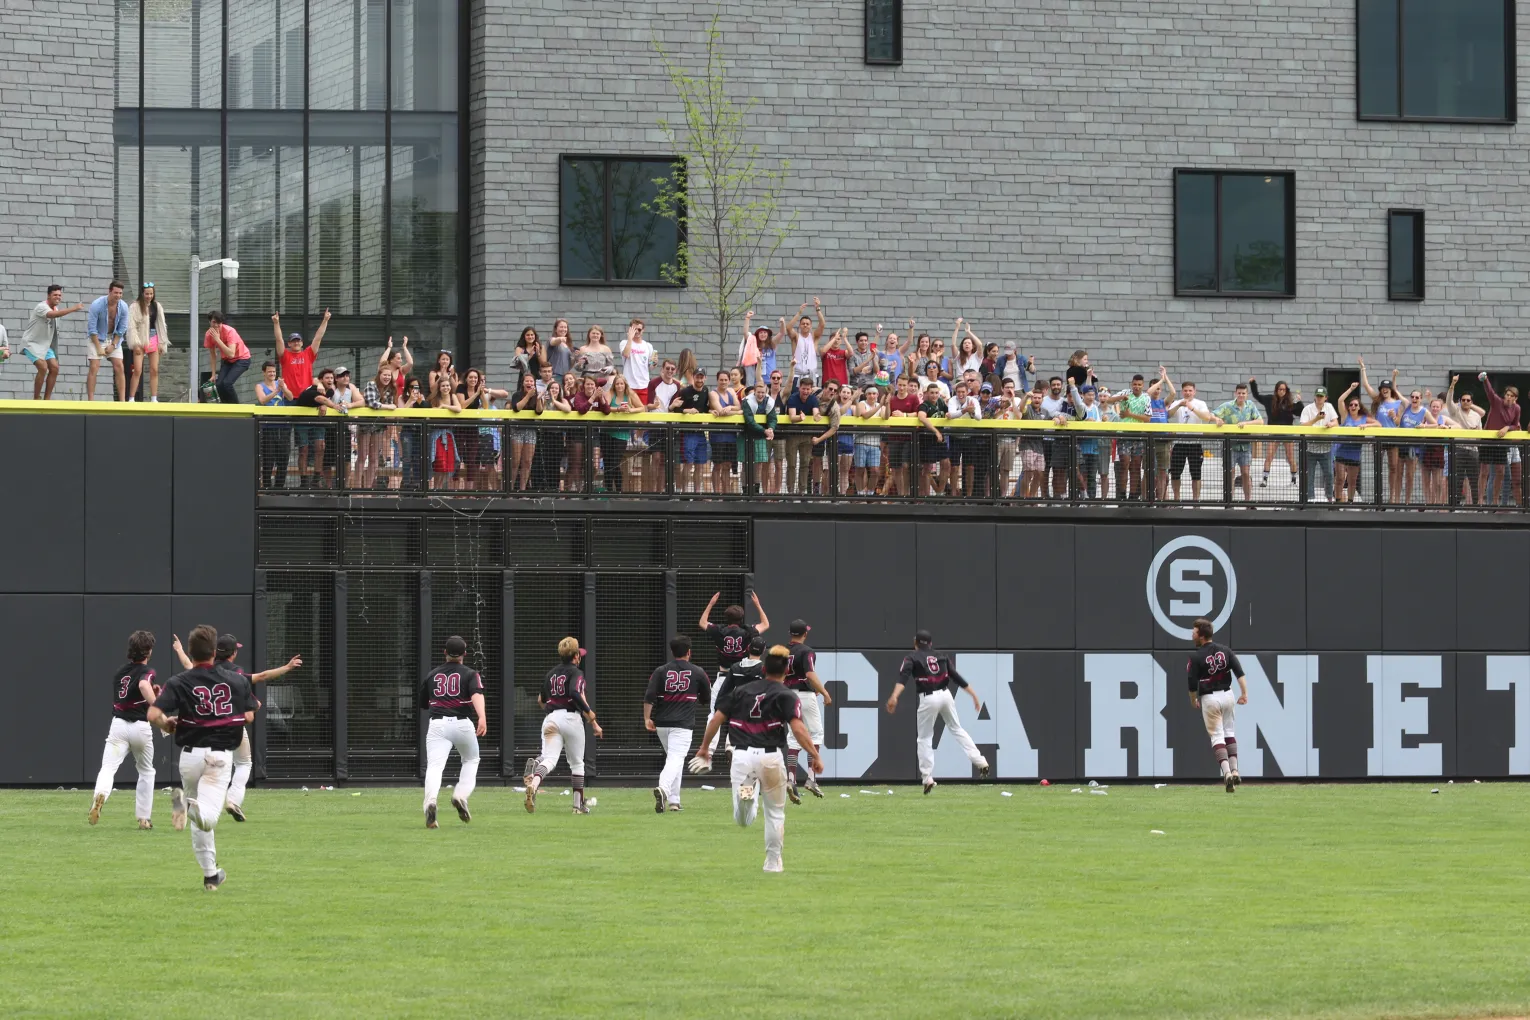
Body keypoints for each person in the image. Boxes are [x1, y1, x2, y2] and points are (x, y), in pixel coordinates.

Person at [692, 644, 823, 873]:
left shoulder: (740, 692)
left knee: (743, 820)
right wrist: (814, 755)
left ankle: (747, 797)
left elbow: (715, 720)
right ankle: (773, 863)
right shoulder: (786, 695)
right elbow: (799, 729)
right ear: (785, 673)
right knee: (775, 813)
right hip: (770, 757)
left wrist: (704, 748)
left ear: (763, 670)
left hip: (741, 755)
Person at [147, 625, 256, 891]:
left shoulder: (179, 680)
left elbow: (152, 714)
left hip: (190, 757)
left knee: (200, 822)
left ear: (191, 652)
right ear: (213, 651)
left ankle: (210, 875)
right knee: (207, 817)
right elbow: (250, 716)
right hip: (219, 757)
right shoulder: (237, 679)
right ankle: (184, 804)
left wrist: (167, 724)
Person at [885, 630, 991, 794]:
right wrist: (974, 695)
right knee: (956, 728)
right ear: (930, 644)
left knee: (924, 738)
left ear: (916, 643)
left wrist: (894, 696)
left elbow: (903, 678)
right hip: (946, 695)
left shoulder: (911, 657)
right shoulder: (941, 655)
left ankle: (927, 778)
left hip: (928, 697)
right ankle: (980, 761)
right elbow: (956, 676)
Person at [88, 630, 160, 829]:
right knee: (146, 771)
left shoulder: (120, 672)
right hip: (140, 727)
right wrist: (157, 704)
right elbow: (144, 685)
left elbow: (132, 693)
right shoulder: (149, 671)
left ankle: (99, 797)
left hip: (118, 726)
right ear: (148, 651)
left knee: (108, 768)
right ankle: (144, 819)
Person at [524, 637, 603, 814]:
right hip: (571, 718)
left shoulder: (550, 674)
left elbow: (540, 700)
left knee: (549, 758)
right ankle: (577, 806)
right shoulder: (577, 673)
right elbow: (576, 693)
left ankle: (534, 783)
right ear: (576, 656)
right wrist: (591, 715)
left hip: (551, 717)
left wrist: (554, 710)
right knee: (577, 764)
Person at [417, 636, 487, 828]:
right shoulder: (471, 674)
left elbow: (423, 703)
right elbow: (476, 694)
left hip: (437, 725)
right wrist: (482, 716)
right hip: (462, 723)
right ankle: (460, 795)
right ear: (465, 653)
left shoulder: (432, 675)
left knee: (435, 767)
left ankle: (431, 802)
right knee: (471, 760)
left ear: (445, 652)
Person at [643, 636, 712, 814]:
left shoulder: (660, 671)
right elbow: (706, 697)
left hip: (662, 724)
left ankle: (674, 801)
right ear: (689, 652)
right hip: (682, 725)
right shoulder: (698, 672)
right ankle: (663, 789)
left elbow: (649, 696)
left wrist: (646, 718)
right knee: (675, 758)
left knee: (674, 759)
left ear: (672, 652)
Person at [1187, 617, 1248, 793]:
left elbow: (1191, 683)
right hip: (1228, 695)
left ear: (1202, 635)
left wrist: (1193, 700)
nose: (1192, 634)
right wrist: (1244, 693)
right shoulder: (1225, 650)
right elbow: (1239, 673)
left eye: (1195, 631)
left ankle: (1227, 773)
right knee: (1229, 733)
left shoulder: (1196, 656)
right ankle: (1235, 769)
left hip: (1210, 698)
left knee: (1217, 737)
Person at [783, 619, 832, 802]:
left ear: (790, 633)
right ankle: (811, 778)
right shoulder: (806, 651)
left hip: (787, 695)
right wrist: (824, 692)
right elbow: (810, 674)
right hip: (804, 694)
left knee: (793, 738)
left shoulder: (782, 651)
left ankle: (791, 779)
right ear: (805, 633)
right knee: (816, 734)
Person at [23, 285, 83, 400]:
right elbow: (52, 315)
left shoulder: (56, 309)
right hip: (32, 343)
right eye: (55, 295)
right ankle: (36, 399)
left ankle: (47, 399)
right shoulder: (41, 307)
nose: (58, 297)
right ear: (49, 296)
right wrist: (74, 308)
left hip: (45, 345)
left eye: (60, 295)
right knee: (43, 367)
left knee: (54, 368)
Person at [1166, 377, 1217, 501]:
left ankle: (1195, 500)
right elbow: (1169, 414)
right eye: (1185, 391)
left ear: (1194, 391)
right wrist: (1179, 406)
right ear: (1182, 391)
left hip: (1195, 442)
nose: (1187, 393)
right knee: (1175, 473)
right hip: (1179, 443)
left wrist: (1192, 408)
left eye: (1190, 390)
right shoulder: (1177, 402)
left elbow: (1206, 417)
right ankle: (1176, 499)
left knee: (1196, 474)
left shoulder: (1200, 403)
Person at [1214, 382, 1265, 501]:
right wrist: (1218, 419)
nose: (1241, 395)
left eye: (1243, 393)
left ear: (1247, 394)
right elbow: (1213, 414)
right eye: (1239, 393)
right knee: (1230, 473)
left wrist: (1246, 423)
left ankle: (1248, 501)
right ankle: (1229, 501)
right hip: (1230, 446)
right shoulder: (1227, 406)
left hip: (1245, 446)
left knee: (1246, 473)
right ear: (1235, 393)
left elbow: (1260, 421)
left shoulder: (1250, 405)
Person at [671, 367, 720, 493]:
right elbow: (674, 409)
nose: (699, 379)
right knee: (688, 463)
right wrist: (687, 410)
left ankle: (697, 492)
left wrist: (710, 411)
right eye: (697, 376)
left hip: (700, 432)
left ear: (705, 378)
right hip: (687, 432)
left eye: (701, 377)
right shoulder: (685, 392)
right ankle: (685, 492)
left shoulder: (705, 390)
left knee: (700, 464)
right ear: (693, 377)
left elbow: (703, 408)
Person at [1249, 378, 1301, 488]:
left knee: (1291, 457)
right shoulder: (1270, 400)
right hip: (1274, 431)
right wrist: (1253, 383)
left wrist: (1299, 402)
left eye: (1284, 389)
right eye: (1280, 389)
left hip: (1287, 432)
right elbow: (1257, 396)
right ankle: (1265, 479)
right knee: (1269, 455)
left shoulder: (1290, 402)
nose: (1282, 391)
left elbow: (1299, 412)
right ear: (1276, 390)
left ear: (1286, 391)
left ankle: (1293, 480)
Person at [1480, 372, 1522, 507]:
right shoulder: (1497, 401)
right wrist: (1485, 379)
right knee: (1484, 472)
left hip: (1501, 442)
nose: (1508, 398)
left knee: (1501, 471)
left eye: (1512, 396)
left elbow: (1516, 425)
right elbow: (1490, 391)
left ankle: (1494, 502)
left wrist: (1507, 428)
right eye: (1507, 395)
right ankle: (1480, 502)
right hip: (1487, 440)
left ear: (1515, 398)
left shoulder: (1517, 408)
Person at [125, 283, 170, 402]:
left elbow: (161, 325)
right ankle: (131, 398)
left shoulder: (157, 306)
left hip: (153, 338)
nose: (149, 296)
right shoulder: (135, 306)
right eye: (147, 294)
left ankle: (154, 398)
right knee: (137, 370)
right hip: (140, 339)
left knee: (154, 369)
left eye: (151, 293)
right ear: (142, 294)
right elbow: (131, 326)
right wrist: (135, 343)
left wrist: (161, 342)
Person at [85, 281, 129, 401]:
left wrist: (113, 345)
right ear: (109, 291)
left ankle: (122, 401)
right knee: (94, 366)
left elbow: (122, 328)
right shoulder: (97, 304)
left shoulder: (124, 307)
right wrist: (99, 347)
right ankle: (91, 401)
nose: (118, 296)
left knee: (119, 365)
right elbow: (92, 328)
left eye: (120, 293)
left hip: (113, 338)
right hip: (96, 338)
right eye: (116, 293)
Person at [1443, 376, 1483, 505]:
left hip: (1473, 450)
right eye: (1463, 400)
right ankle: (1454, 505)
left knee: (1474, 479)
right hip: (1458, 449)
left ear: (1471, 402)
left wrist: (1475, 432)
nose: (1466, 402)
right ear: (1460, 401)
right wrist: (1453, 384)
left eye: (1468, 400)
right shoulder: (1455, 411)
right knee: (1457, 479)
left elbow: (1480, 435)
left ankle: (1476, 506)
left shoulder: (1476, 416)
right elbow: (1449, 400)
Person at [1333, 385, 1377, 503]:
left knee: (1352, 480)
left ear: (1359, 407)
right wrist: (1350, 389)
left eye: (1356, 405)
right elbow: (1340, 400)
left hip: (1355, 453)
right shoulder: (1345, 416)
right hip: (1341, 451)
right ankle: (1337, 501)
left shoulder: (1363, 418)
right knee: (1340, 478)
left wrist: (1366, 425)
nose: (1353, 406)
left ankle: (1350, 502)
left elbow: (1378, 424)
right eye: (1351, 405)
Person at [1298, 386, 1340, 500]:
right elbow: (1302, 426)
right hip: (1310, 447)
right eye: (1317, 396)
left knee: (1329, 474)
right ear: (1314, 397)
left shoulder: (1329, 407)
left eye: (1321, 396)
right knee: (1308, 475)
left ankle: (1329, 498)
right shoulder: (1307, 409)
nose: (1319, 398)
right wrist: (1316, 419)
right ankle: (1309, 499)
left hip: (1326, 447)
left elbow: (1336, 421)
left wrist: (1331, 424)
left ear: (1326, 397)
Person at [201, 312, 251, 403]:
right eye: (213, 322)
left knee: (227, 383)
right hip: (227, 360)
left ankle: (236, 407)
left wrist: (217, 339)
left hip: (242, 359)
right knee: (219, 384)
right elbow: (213, 355)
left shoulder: (229, 331)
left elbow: (231, 353)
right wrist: (213, 374)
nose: (216, 325)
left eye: (219, 323)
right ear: (209, 322)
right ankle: (225, 405)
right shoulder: (208, 335)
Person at [786, 298, 826, 387]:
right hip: (797, 375)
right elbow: (788, 328)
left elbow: (822, 324)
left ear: (811, 326)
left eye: (807, 324)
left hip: (811, 375)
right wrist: (799, 313)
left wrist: (818, 308)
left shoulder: (814, 337)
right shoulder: (796, 337)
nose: (805, 325)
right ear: (800, 325)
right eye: (803, 323)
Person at [622, 319, 656, 404]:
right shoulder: (624, 343)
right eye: (634, 329)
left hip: (643, 384)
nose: (637, 331)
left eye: (639, 329)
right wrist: (630, 338)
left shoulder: (648, 346)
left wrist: (654, 362)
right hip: (629, 384)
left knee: (643, 411)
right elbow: (626, 354)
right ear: (630, 329)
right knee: (628, 410)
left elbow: (651, 367)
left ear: (643, 330)